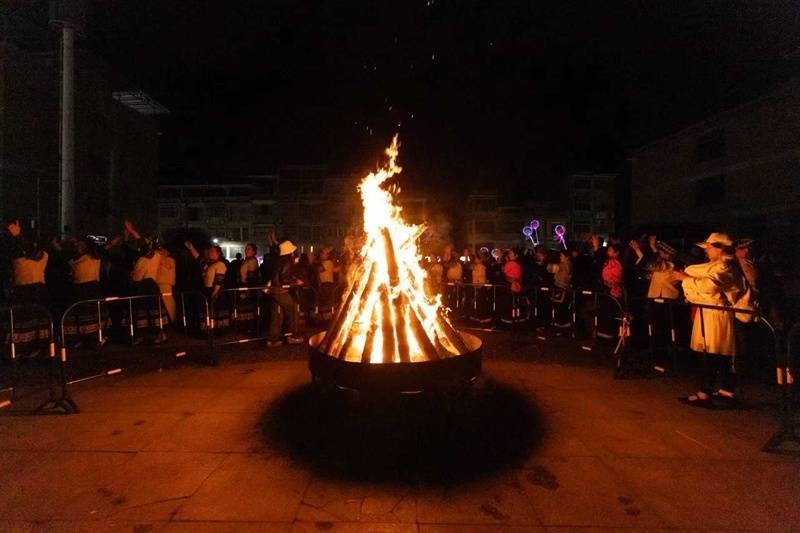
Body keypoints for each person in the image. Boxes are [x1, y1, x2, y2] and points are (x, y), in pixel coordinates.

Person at [672, 232, 746, 408]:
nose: (706, 251)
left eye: (709, 247)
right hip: (709, 313)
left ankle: (717, 392)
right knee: (713, 353)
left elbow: (709, 287)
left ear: (720, 249)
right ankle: (714, 391)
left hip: (719, 316)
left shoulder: (727, 267)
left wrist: (686, 280)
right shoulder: (714, 267)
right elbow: (699, 287)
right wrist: (692, 284)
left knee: (717, 353)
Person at [267, 240, 305, 347]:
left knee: (277, 316)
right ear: (290, 252)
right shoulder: (287, 262)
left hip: (274, 292)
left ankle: (273, 340)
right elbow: (284, 278)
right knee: (294, 310)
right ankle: (294, 337)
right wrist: (296, 282)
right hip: (282, 292)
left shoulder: (277, 261)